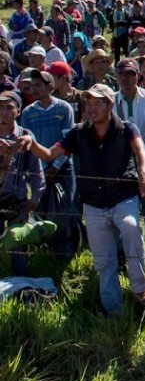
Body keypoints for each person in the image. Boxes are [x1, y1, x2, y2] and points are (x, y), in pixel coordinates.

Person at [20, 84, 145, 314]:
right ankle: (114, 312)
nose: (91, 109)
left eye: (97, 103)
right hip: (93, 202)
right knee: (104, 261)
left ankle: (140, 288)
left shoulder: (126, 128)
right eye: (88, 104)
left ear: (109, 105)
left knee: (131, 228)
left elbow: (140, 149)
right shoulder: (78, 132)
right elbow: (49, 155)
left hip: (122, 197)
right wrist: (32, 144)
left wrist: (144, 172)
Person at [20, 69, 78, 260]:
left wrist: (56, 165)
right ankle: (47, 248)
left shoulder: (63, 108)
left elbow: (68, 140)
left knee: (65, 210)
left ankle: (67, 249)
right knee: (41, 210)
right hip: (39, 170)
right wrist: (40, 169)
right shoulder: (28, 113)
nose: (34, 89)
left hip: (63, 167)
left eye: (38, 84)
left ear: (50, 86)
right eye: (31, 85)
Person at [113, 58, 145, 259]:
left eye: (131, 74)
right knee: (121, 208)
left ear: (138, 75)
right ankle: (124, 250)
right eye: (122, 74)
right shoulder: (111, 100)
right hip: (120, 162)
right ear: (116, 77)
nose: (126, 78)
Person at [0, 91, 45, 276]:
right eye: (0, 108)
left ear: (18, 111)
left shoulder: (25, 135)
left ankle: (20, 284)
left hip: (16, 198)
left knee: (18, 245)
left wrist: (34, 198)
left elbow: (36, 171)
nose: (4, 112)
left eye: (9, 108)